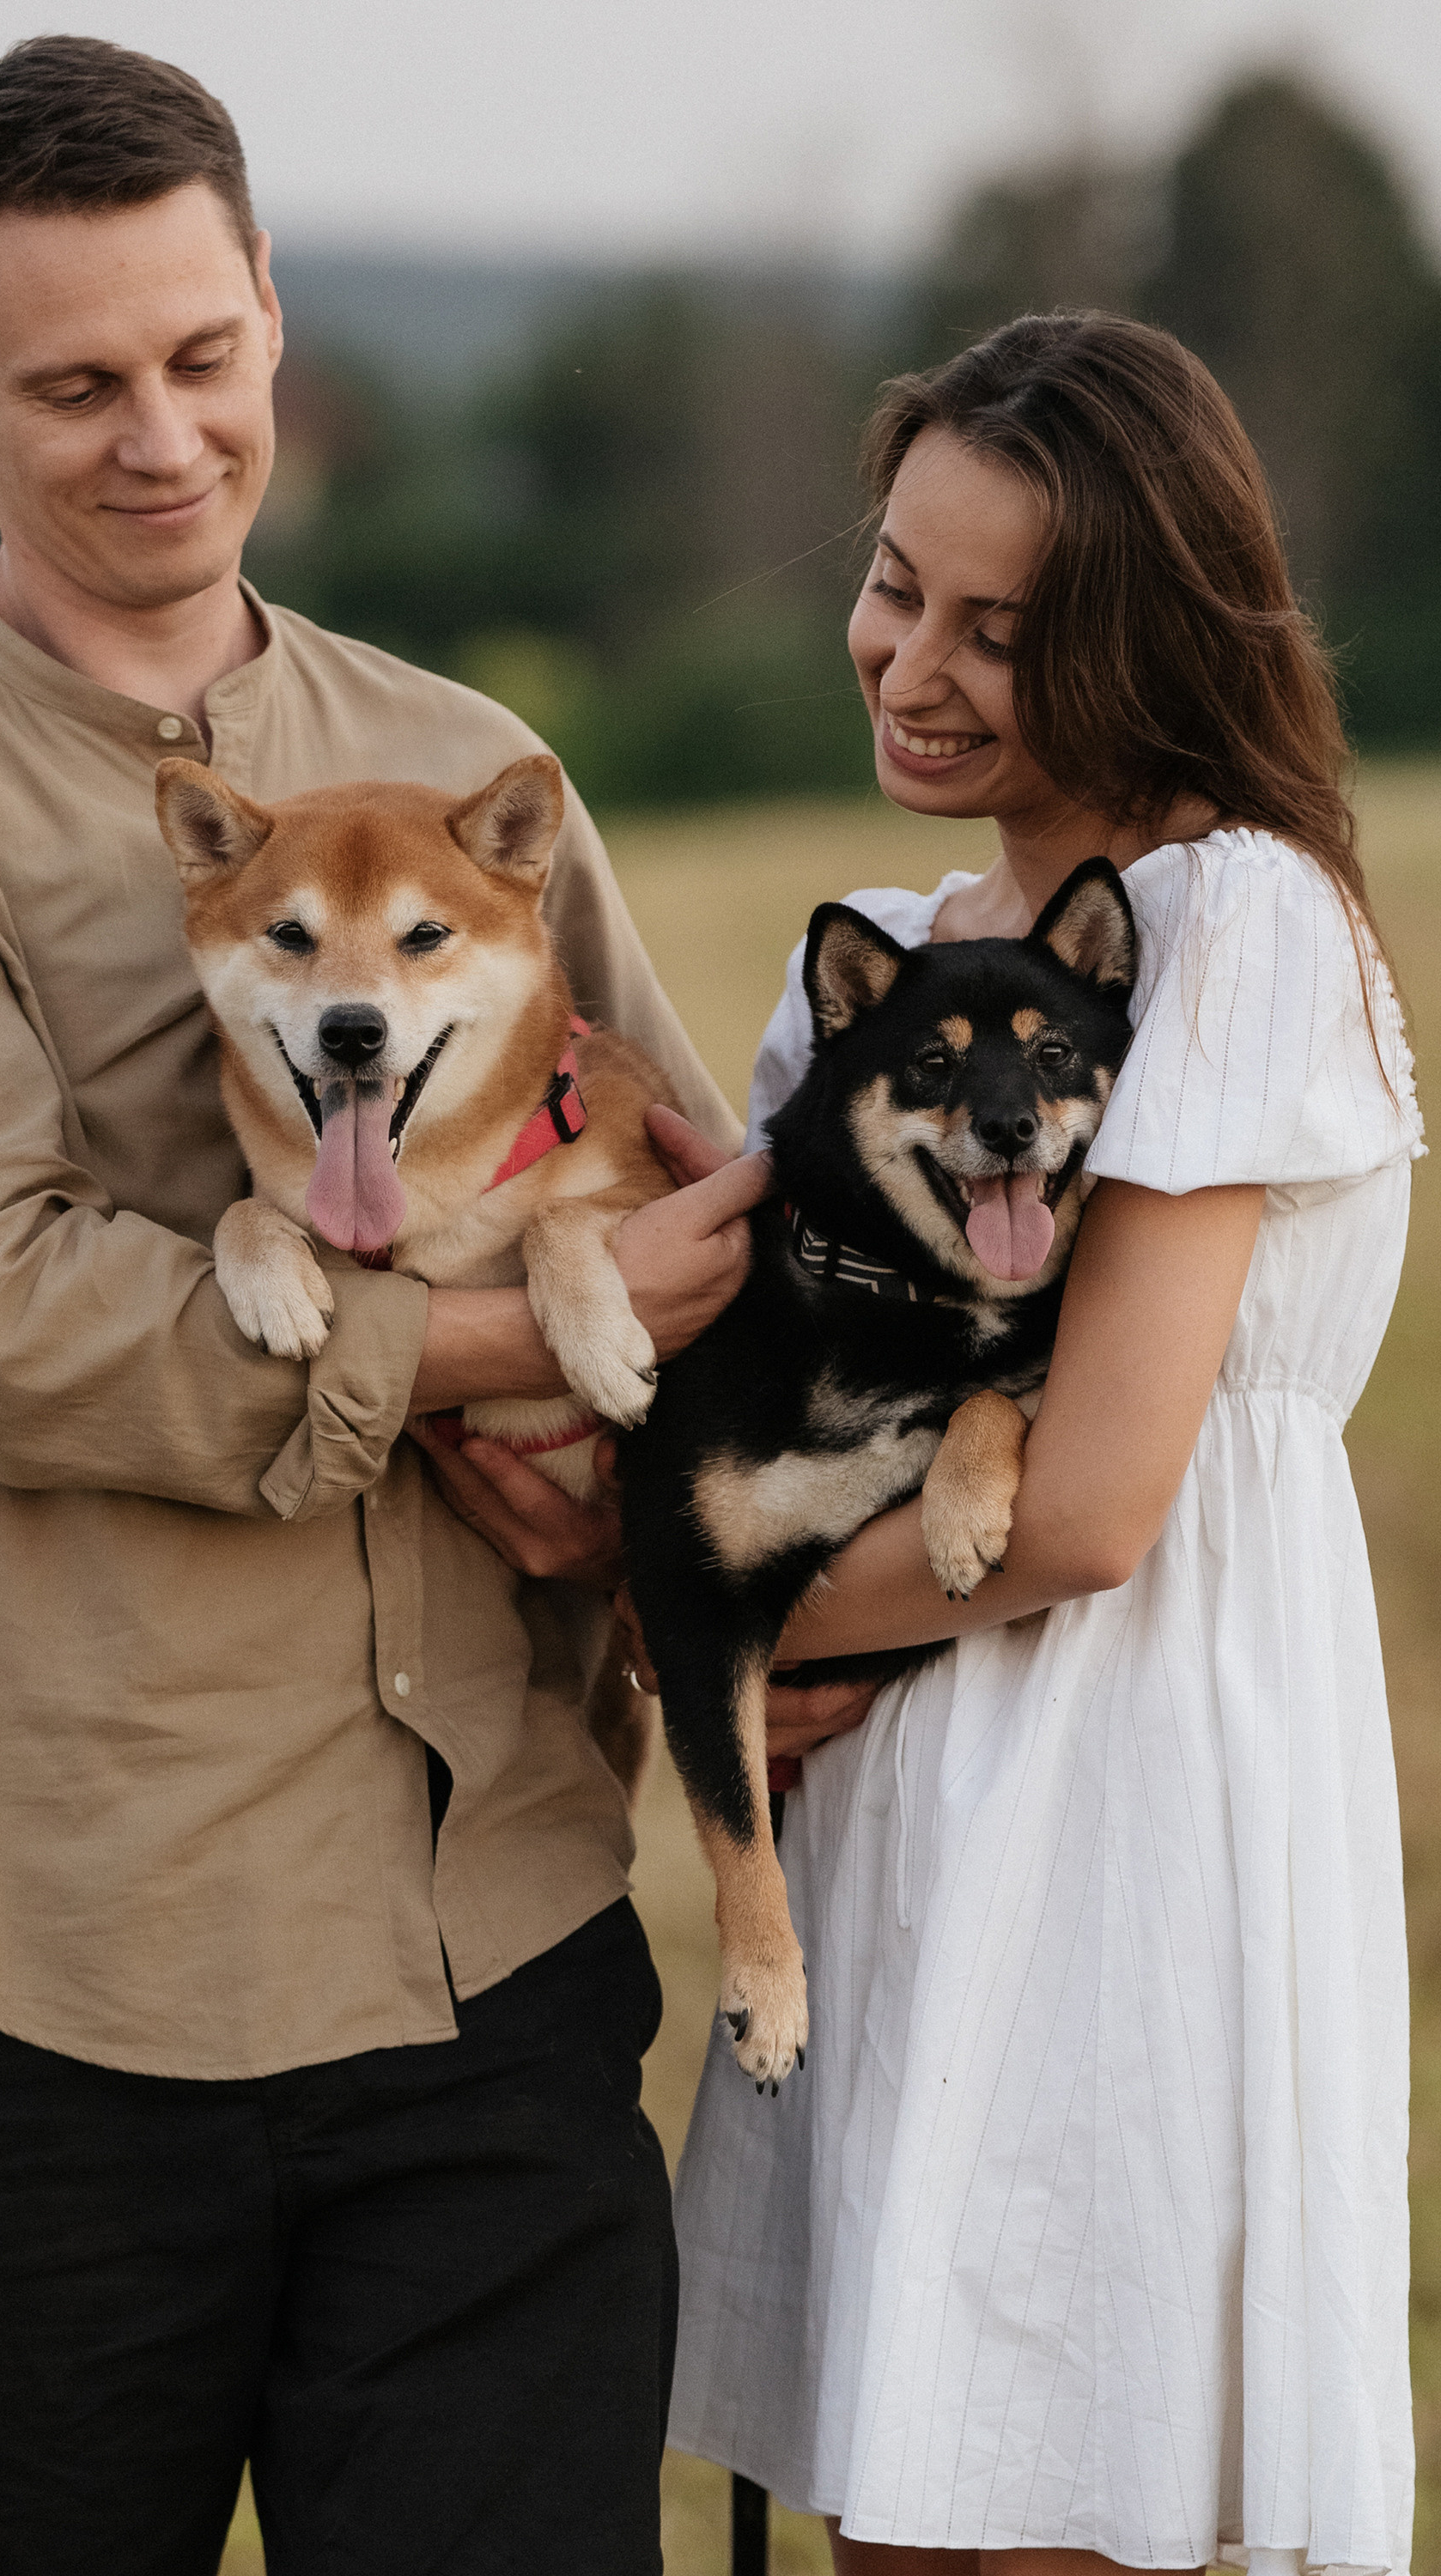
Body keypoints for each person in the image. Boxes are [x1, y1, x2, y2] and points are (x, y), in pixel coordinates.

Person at [0, 36, 764, 2574]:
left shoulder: (467, 759)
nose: (158, 437)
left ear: (278, 308)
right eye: (73, 383)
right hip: (50, 1980)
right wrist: (517, 1338)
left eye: (202, 356)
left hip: (493, 1957)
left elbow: (692, 1213)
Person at [660, 315, 1421, 2576]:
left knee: (1047, 2498)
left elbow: (1088, 1509)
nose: (912, 663)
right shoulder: (878, 967)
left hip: (1120, 1821)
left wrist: (736, 1641)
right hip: (898, 1826)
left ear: (1147, 640)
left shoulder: (1235, 930)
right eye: (898, 585)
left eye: (1005, 631)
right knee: (893, 2509)